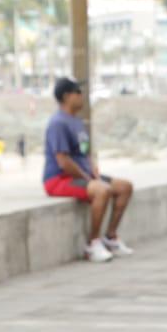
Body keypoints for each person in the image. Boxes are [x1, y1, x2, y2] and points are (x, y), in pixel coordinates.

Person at [42, 77, 135, 263]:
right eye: (78, 92)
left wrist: (93, 169)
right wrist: (89, 178)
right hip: (59, 179)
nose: (82, 96)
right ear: (67, 96)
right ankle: (93, 244)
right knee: (102, 190)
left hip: (84, 175)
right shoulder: (58, 123)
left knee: (124, 187)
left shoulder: (77, 122)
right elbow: (63, 161)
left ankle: (111, 237)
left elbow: (84, 152)